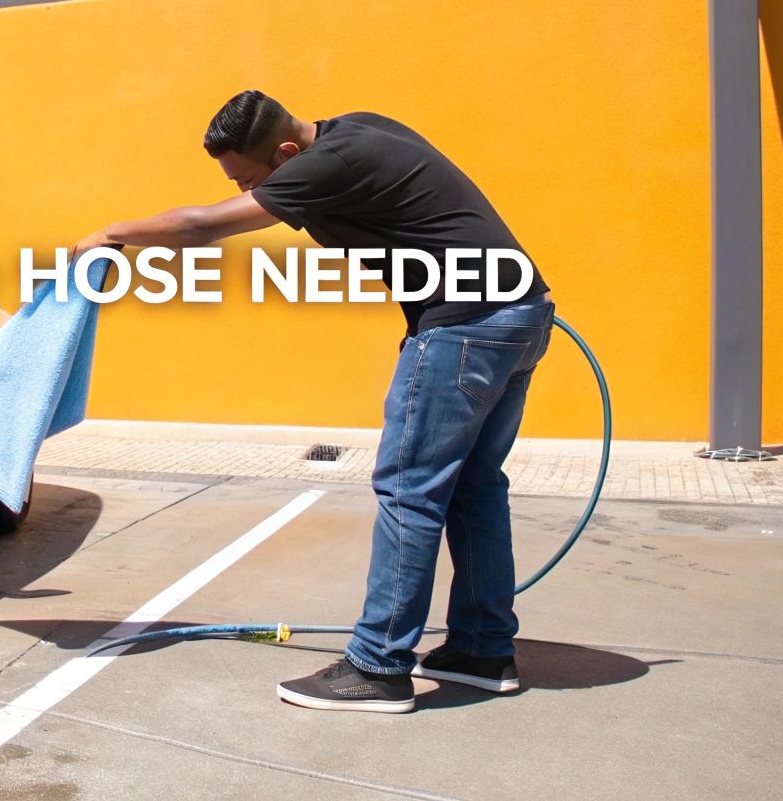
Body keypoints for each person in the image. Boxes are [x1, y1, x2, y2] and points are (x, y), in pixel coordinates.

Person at [74, 89, 553, 713]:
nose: (250, 192)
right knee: (474, 487)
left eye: (251, 180)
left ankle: (378, 667)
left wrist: (109, 233)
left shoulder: (326, 162)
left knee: (411, 489)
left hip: (464, 328)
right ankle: (483, 651)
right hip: (518, 315)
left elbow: (202, 226)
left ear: (287, 151)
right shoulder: (361, 126)